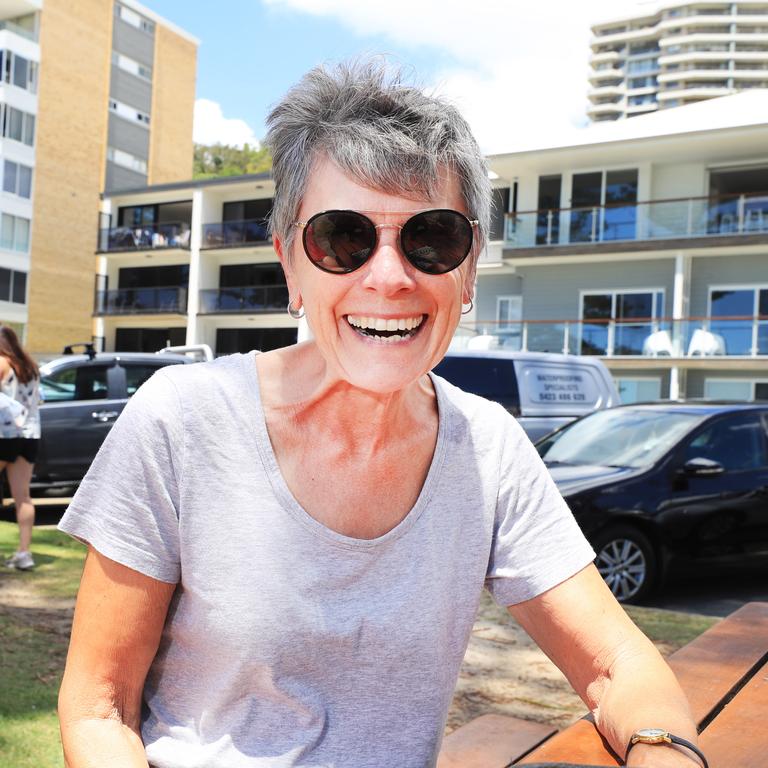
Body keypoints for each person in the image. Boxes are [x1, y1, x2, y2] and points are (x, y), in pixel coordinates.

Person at [57, 61, 705, 768]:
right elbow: (99, 707)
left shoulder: (487, 449)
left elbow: (618, 663)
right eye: (342, 238)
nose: (391, 276)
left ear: (468, 272)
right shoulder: (181, 420)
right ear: (289, 267)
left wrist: (663, 752)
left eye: (433, 238)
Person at [0, 326, 41, 571]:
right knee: (23, 496)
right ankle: (24, 553)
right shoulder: (30, 367)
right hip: (30, 434)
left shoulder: (2, 363)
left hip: (5, 433)